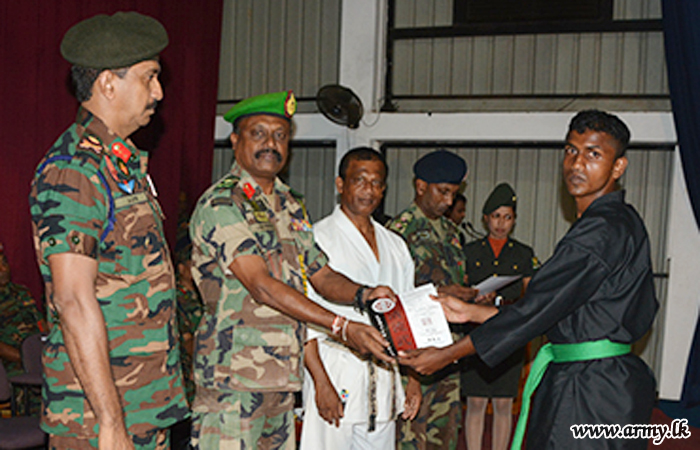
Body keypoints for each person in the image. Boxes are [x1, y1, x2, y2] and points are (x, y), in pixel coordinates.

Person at [399, 110, 658, 450]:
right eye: (571, 151)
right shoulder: (620, 220)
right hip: (608, 384)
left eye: (593, 154)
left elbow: (539, 309)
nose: (577, 164)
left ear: (618, 166)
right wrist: (473, 312)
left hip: (588, 391)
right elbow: (559, 309)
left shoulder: (601, 230)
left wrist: (448, 354)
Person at [189, 92, 397, 449]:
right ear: (235, 140)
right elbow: (261, 285)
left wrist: (364, 294)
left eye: (280, 135)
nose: (271, 144)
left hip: (282, 377)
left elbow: (321, 275)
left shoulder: (289, 205)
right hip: (232, 380)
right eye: (259, 134)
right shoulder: (222, 203)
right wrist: (341, 326)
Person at [29, 12, 188, 449]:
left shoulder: (119, 164)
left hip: (144, 406)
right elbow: (72, 300)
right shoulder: (75, 170)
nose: (158, 92)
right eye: (149, 77)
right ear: (108, 84)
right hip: (96, 420)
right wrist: (111, 422)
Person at [299, 147, 422, 450]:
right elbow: (303, 319)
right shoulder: (317, 238)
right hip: (333, 370)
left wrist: (413, 379)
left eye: (377, 183)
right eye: (360, 180)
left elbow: (406, 318)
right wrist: (320, 383)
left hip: (384, 376)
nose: (369, 190)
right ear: (340, 184)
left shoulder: (395, 244)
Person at [387, 149, 477, 450]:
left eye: (453, 193)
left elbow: (452, 284)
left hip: (448, 352)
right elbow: (393, 302)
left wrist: (470, 296)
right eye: (443, 192)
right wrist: (411, 374)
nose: (449, 201)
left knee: (445, 436)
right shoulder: (398, 233)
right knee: (411, 438)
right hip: (415, 355)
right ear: (420, 186)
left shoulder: (451, 232)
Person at [461, 183, 539, 450]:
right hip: (476, 330)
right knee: (476, 401)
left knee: (504, 403)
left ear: (514, 220)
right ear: (485, 218)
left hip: (509, 331)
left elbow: (531, 295)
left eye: (507, 217)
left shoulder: (524, 253)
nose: (501, 224)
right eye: (496, 216)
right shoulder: (470, 252)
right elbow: (459, 289)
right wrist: (473, 297)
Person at [0, 242, 45, 379]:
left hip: (40, 356)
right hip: (12, 365)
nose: (3, 269)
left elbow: (41, 323)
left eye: (4, 262)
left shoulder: (21, 291)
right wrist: (29, 360)